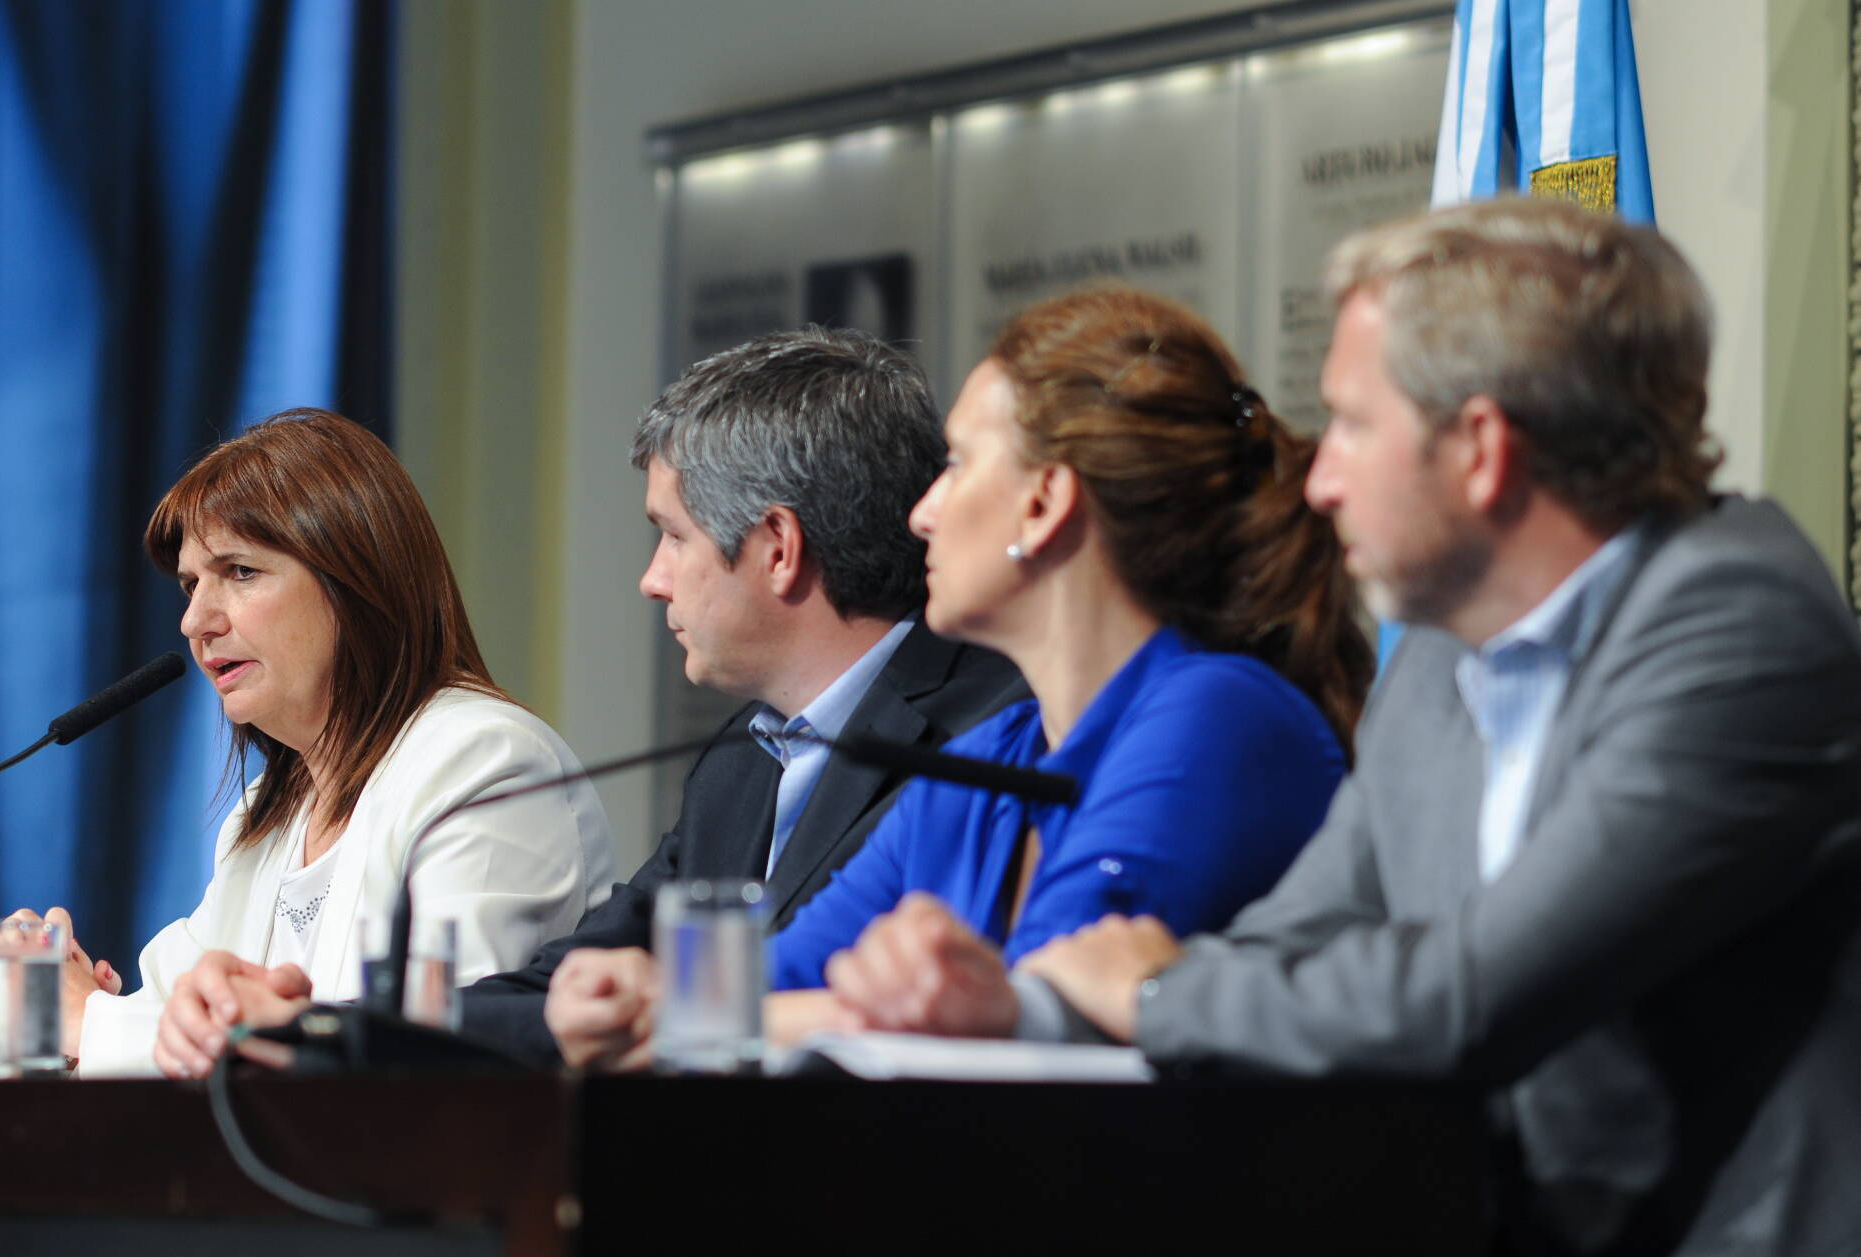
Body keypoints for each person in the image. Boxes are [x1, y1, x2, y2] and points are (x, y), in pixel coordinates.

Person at [834, 201, 1861, 1256]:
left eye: (1354, 426)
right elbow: (1291, 940)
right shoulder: (1449, 652)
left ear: (1478, 448)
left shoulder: (1739, 628)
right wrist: (1027, 1008)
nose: (1317, 479)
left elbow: (1467, 997)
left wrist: (1153, 987)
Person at [156, 329, 1026, 1073]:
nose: (651, 582)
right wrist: (318, 1029)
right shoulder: (743, 760)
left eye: (671, 536)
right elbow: (560, 985)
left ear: (776, 550)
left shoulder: (990, 729)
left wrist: (667, 1012)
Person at [561, 286, 1374, 1062]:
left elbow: (1043, 1002)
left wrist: (692, 1011)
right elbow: (783, 969)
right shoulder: (993, 754)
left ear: (1043, 503)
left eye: (957, 464)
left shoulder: (1221, 716)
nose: (922, 511)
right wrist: (636, 991)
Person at [0, 409, 615, 1078]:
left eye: (238, 571)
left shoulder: (486, 764)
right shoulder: (266, 816)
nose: (195, 621)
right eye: (190, 583)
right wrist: (60, 1001)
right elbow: (168, 1024)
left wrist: (91, 1019)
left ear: (354, 580)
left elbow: (426, 1057)